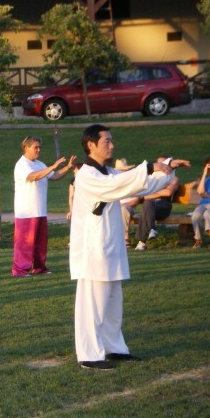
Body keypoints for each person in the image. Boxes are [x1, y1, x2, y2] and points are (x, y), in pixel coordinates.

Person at [69, 124, 190, 370]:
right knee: (93, 304)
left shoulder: (108, 172)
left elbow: (140, 186)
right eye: (107, 142)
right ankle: (89, 354)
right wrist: (148, 167)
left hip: (110, 247)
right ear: (91, 145)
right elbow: (119, 185)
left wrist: (166, 168)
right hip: (94, 250)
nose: (112, 146)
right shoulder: (87, 175)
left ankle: (114, 348)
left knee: (113, 302)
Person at [12, 135, 74, 277]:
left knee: (40, 243)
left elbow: (55, 176)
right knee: (24, 243)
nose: (38, 150)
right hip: (25, 211)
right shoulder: (22, 164)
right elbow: (33, 176)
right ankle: (20, 269)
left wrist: (68, 167)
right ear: (26, 148)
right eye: (35, 147)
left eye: (39, 147)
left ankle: (39, 267)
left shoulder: (40, 164)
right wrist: (52, 166)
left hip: (40, 210)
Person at [132, 156, 180, 251]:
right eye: (159, 164)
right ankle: (152, 230)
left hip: (163, 206)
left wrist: (152, 194)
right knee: (147, 204)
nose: (161, 166)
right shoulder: (153, 179)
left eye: (164, 164)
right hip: (150, 207)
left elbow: (168, 193)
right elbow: (144, 196)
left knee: (146, 207)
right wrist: (156, 194)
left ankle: (142, 242)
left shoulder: (173, 179)